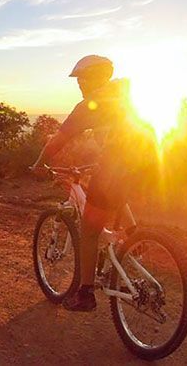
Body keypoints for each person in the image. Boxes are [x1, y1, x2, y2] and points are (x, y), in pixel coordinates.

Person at [32, 55, 156, 312]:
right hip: (148, 165)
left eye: (81, 79)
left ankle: (85, 294)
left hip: (117, 166)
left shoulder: (90, 104)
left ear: (93, 78)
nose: (79, 85)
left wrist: (38, 162)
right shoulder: (127, 96)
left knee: (88, 230)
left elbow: (58, 140)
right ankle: (134, 241)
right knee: (114, 195)